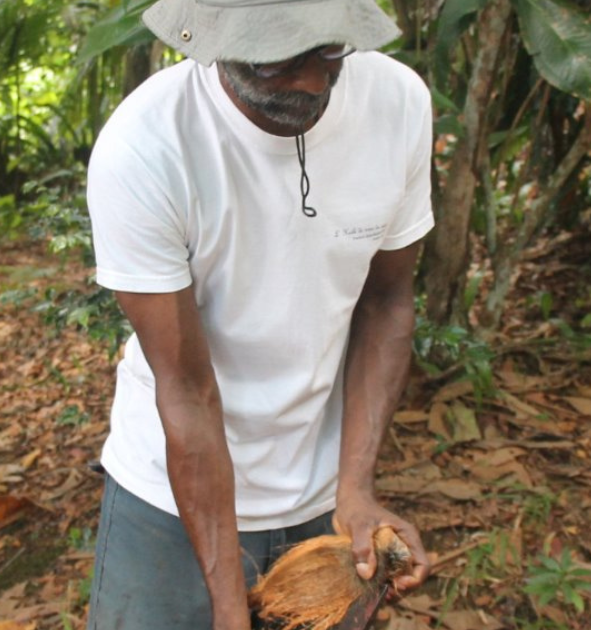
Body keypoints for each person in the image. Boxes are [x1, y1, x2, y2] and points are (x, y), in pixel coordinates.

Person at [83, 0, 434, 628]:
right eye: (277, 60)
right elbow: (187, 388)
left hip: (319, 495)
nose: (311, 81)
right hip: (168, 495)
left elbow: (387, 299)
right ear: (215, 41)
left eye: (330, 51)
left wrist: (354, 490)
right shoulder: (146, 146)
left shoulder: (398, 104)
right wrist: (226, 603)